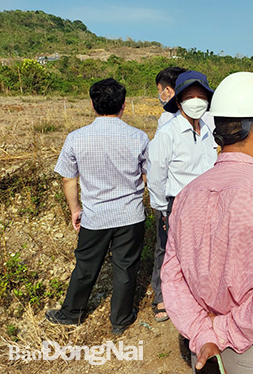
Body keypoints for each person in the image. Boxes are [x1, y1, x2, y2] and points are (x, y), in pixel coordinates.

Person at [161, 72, 253, 374]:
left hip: (206, 352)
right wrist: (223, 332)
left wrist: (203, 332)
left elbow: (173, 279)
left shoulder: (187, 195)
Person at [46, 78, 149, 336]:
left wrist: (74, 209)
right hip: (130, 214)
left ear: (93, 104)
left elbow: (69, 178)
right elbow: (148, 176)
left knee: (86, 266)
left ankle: (71, 313)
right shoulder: (139, 137)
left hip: (95, 215)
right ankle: (121, 319)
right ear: (123, 105)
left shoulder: (76, 138)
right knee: (126, 268)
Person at [147, 70, 217, 322]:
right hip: (175, 202)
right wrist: (161, 208)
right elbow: (156, 174)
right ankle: (161, 296)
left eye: (201, 96)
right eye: (190, 96)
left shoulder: (208, 130)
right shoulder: (168, 133)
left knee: (201, 250)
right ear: (178, 101)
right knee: (166, 249)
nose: (196, 101)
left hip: (205, 202)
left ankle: (193, 294)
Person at [156, 66, 186, 131]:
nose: (159, 93)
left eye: (159, 89)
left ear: (167, 90)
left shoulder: (166, 117)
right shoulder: (205, 114)